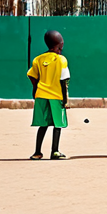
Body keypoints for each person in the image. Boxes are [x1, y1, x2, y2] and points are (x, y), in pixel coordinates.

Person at [27, 30, 70, 160]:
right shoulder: (61, 60)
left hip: (41, 95)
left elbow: (32, 76)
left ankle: (37, 152)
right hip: (56, 96)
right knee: (58, 125)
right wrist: (65, 98)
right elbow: (64, 81)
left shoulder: (38, 59)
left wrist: (35, 89)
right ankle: (55, 151)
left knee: (43, 124)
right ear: (60, 44)